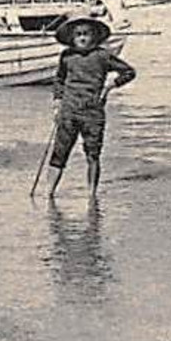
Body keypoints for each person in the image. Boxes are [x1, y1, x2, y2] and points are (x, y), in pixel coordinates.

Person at [43, 15, 136, 202]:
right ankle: (49, 194)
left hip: (93, 112)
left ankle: (91, 195)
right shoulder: (67, 56)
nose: (83, 38)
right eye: (78, 35)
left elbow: (129, 72)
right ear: (72, 38)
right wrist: (57, 102)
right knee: (59, 153)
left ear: (94, 37)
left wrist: (110, 86)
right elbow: (59, 80)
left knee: (93, 154)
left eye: (87, 34)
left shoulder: (102, 56)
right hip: (68, 110)